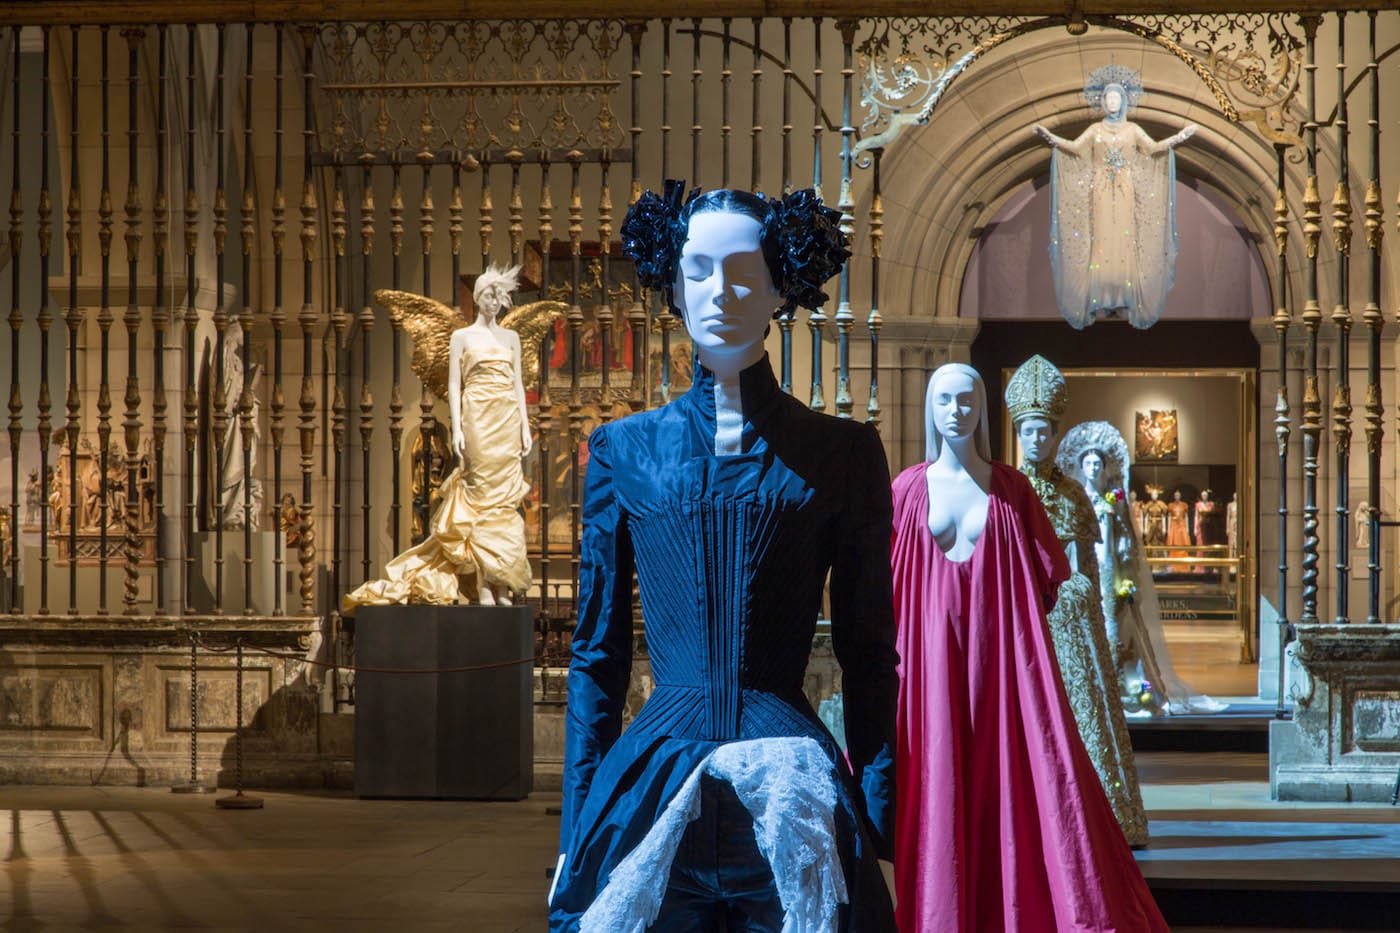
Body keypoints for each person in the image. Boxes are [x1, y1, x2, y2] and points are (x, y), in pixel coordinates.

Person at [550, 182, 897, 932]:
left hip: (792, 790)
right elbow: (597, 655)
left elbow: (870, 651)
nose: (721, 291)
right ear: (673, 285)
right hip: (653, 787)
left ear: (779, 286)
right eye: (699, 270)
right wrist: (578, 825)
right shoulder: (624, 451)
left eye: (744, 271)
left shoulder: (841, 452)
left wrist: (878, 813)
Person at [891, 362, 1167, 932]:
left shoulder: (1013, 491)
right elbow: (890, 584)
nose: (956, 411)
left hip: (1001, 667)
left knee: (1011, 784)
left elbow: (1048, 581)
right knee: (938, 778)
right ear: (928, 408)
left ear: (983, 408)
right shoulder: (906, 491)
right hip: (930, 668)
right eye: (944, 399)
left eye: (967, 399)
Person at [1003, 355, 1147, 848]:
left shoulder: (1074, 496)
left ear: (1055, 433)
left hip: (1068, 621)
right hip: (1021, 616)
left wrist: (1088, 610)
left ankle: (1096, 816)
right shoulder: (1005, 489)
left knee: (1080, 711)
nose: (1036, 440)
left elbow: (1086, 565)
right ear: (1018, 433)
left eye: (1044, 431)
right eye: (1028, 431)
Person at [344, 264, 533, 610]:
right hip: (478, 419)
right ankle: (483, 584)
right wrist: (457, 428)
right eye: (488, 295)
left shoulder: (511, 338)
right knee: (480, 500)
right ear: (477, 297)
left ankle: (501, 582)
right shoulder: (462, 337)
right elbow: (454, 385)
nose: (493, 301)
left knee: (504, 504)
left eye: (498, 296)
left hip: (506, 419)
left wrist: (524, 425)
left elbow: (519, 384)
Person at [1060, 421, 1226, 716]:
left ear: (1105, 467)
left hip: (1110, 566)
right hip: (1085, 566)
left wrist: (1124, 558)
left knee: (1116, 625)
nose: (1093, 468)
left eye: (1098, 463)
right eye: (1088, 463)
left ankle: (1124, 687)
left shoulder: (1113, 499)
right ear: (1081, 466)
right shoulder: (1076, 499)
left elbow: (1125, 536)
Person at [1035, 64, 1195, 329]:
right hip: (1099, 188)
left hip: (1125, 189)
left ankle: (1123, 291)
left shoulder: (1132, 129)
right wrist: (1051, 138)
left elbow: (1153, 148)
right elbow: (1075, 148)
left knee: (1124, 235)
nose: (1112, 102)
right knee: (1101, 236)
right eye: (1108, 98)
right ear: (1103, 102)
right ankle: (1101, 292)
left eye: (1116, 98)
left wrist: (1177, 138)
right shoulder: (1095, 129)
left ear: (1123, 102)